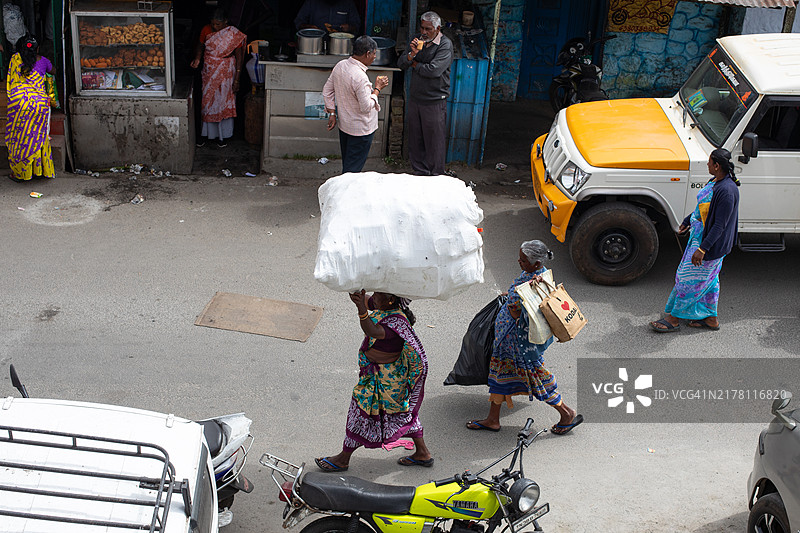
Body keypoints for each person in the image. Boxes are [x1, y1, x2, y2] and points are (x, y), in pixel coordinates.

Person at [467, 240, 583, 435]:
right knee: (499, 375)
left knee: (537, 379)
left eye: (523, 260)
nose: (519, 262)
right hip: (508, 342)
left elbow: (522, 307)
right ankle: (493, 419)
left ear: (536, 264)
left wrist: (513, 303)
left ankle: (566, 413)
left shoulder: (534, 284)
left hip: (519, 345)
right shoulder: (537, 275)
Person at [316, 290, 433, 471]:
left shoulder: (397, 322)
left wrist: (361, 310)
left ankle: (343, 458)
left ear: (390, 300)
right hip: (379, 376)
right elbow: (366, 300)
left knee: (360, 411)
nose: (373, 296)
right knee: (401, 414)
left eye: (378, 294)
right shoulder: (383, 306)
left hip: (387, 380)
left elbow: (372, 330)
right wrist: (354, 289)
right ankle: (423, 452)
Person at [650, 149, 741, 332]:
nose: (707, 165)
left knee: (687, 279)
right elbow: (704, 209)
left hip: (708, 245)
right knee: (710, 281)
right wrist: (687, 221)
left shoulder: (727, 191)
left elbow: (719, 226)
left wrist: (703, 249)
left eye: (709, 162)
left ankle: (673, 319)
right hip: (700, 239)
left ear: (717, 165)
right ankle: (710, 319)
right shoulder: (715, 181)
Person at [397, 11, 453, 176]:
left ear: (437, 28)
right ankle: (420, 172)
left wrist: (415, 65)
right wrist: (412, 54)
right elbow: (401, 63)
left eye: (428, 29)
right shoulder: (417, 40)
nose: (424, 32)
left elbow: (434, 70)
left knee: (434, 141)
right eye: (422, 28)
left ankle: (436, 175)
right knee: (416, 139)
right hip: (416, 98)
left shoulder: (445, 45)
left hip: (434, 100)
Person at [322, 36, 388, 173]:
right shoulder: (360, 77)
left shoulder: (341, 65)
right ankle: (344, 193)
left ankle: (343, 189)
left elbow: (327, 91)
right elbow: (365, 107)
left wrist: (332, 113)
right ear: (367, 54)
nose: (374, 57)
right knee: (352, 170)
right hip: (361, 130)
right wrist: (377, 89)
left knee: (348, 163)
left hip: (345, 127)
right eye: (374, 53)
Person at [190, 9, 246, 148]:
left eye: (218, 24)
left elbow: (239, 57)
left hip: (227, 71)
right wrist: (197, 58)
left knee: (223, 101)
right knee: (208, 101)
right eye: (213, 24)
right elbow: (200, 45)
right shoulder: (206, 29)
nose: (215, 27)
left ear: (225, 22)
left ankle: (222, 136)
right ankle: (205, 135)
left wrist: (237, 79)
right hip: (210, 69)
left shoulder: (233, 33)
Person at [6, 34, 55, 182]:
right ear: (38, 48)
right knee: (38, 138)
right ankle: (39, 171)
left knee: (20, 139)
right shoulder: (44, 61)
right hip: (40, 105)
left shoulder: (15, 60)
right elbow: (53, 72)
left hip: (20, 104)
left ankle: (21, 173)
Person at [294, 0, 360, 34]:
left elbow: (356, 26)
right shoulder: (312, 2)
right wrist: (310, 28)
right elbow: (299, 22)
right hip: (314, 45)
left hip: (341, 46)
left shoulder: (348, 3)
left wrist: (349, 27)